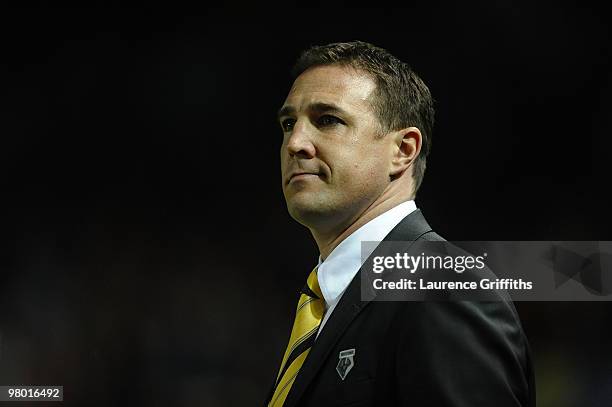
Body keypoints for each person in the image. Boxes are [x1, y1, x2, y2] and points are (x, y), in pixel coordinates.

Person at [265, 41, 535, 406]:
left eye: (328, 120)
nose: (295, 142)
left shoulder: (443, 287)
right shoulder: (329, 301)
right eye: (287, 124)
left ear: (403, 150)